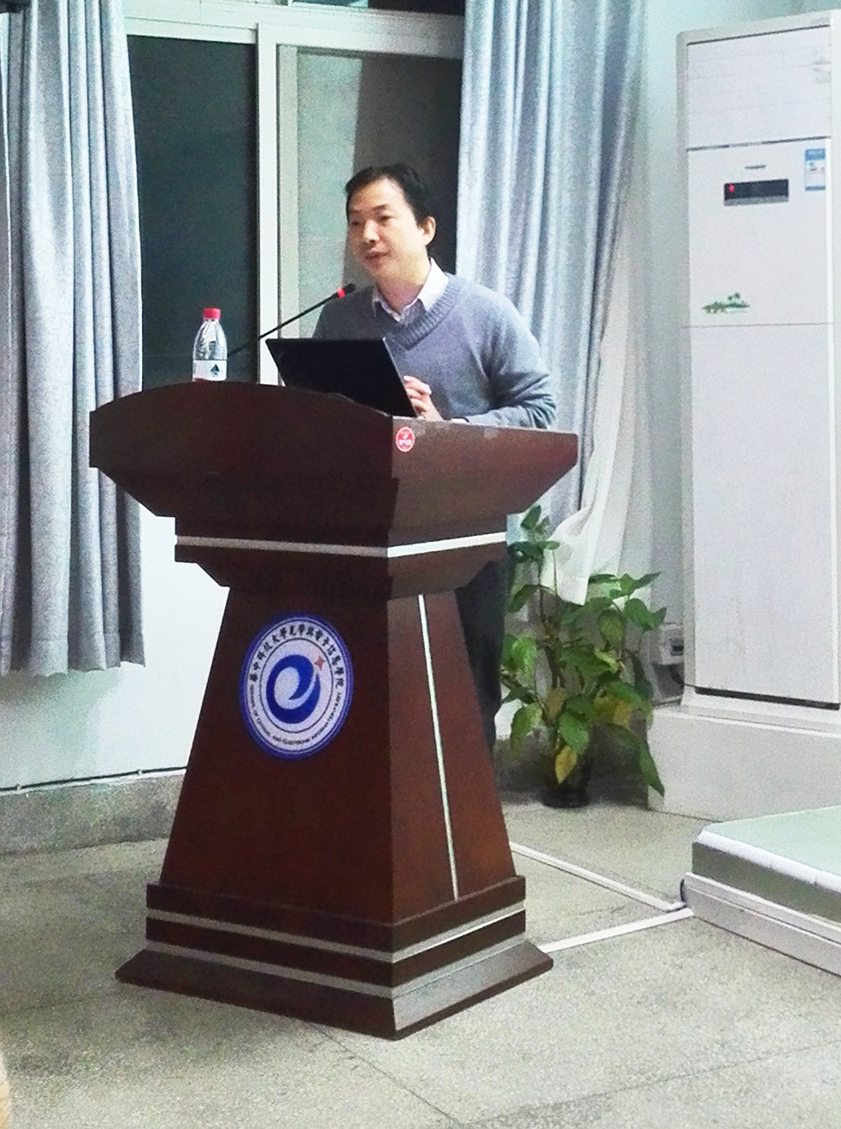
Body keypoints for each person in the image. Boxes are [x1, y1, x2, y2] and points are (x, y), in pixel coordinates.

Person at [313, 163, 555, 748]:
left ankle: (464, 810)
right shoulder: (339, 319)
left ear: (425, 228)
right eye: (355, 222)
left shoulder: (486, 314)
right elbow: (317, 418)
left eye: (382, 217)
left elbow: (539, 410)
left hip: (464, 545)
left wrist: (448, 431)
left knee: (460, 705)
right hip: (369, 538)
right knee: (369, 705)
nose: (367, 235)